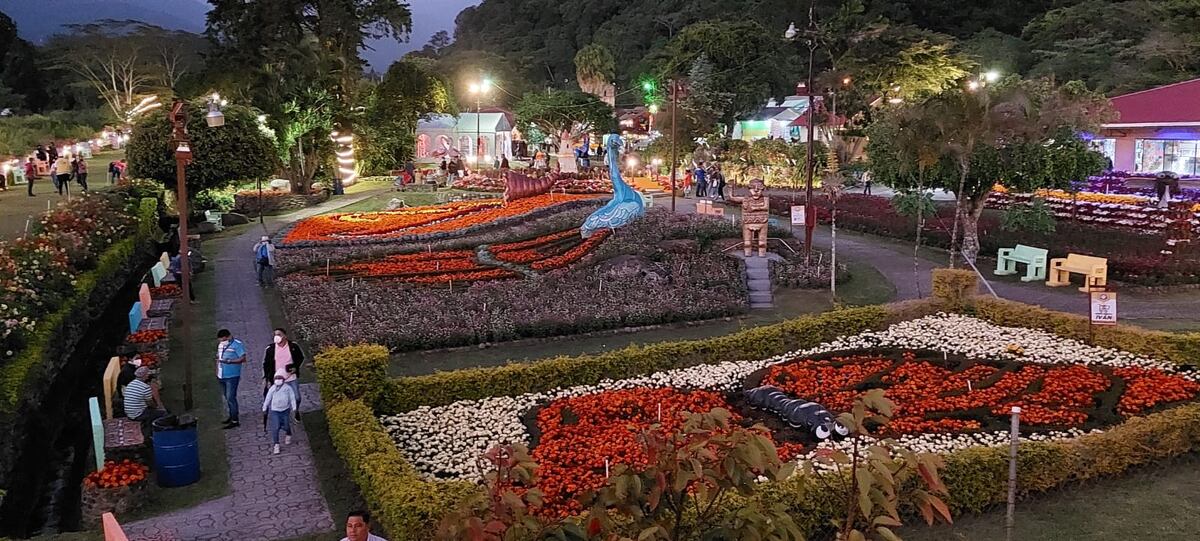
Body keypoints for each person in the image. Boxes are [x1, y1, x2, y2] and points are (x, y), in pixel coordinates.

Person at [262, 328, 305, 413]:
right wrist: (265, 378)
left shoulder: (293, 346)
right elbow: (266, 364)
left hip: (291, 377)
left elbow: (300, 357)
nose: (276, 337)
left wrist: (295, 367)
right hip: (277, 378)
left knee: (297, 397)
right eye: (275, 335)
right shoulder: (270, 348)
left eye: (279, 334)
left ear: (285, 336)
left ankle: (296, 410)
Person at [217, 329, 247, 429]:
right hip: (221, 375)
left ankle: (235, 420)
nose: (222, 341)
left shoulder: (237, 344)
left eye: (223, 339)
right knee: (226, 397)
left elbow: (243, 358)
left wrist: (230, 361)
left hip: (232, 375)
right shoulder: (221, 345)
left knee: (231, 397)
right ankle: (231, 415)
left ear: (228, 336)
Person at [124, 366, 166, 438]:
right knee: (163, 414)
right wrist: (158, 407)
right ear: (145, 376)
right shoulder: (145, 387)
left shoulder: (131, 384)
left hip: (129, 413)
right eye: (147, 374)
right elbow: (150, 403)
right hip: (137, 414)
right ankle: (151, 433)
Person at [262, 373, 297, 454]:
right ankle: (276, 444)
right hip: (275, 411)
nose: (278, 380)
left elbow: (292, 398)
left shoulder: (288, 388)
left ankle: (288, 433)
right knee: (276, 427)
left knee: (286, 425)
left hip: (285, 410)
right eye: (276, 378)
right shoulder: (272, 388)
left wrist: (294, 408)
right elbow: (268, 399)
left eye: (280, 378)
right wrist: (264, 408)